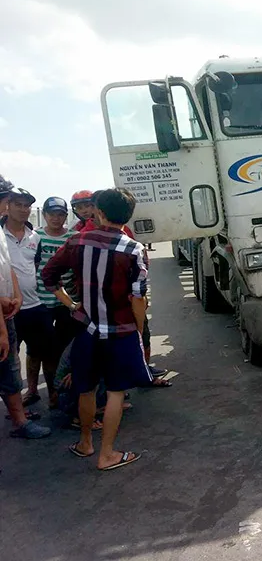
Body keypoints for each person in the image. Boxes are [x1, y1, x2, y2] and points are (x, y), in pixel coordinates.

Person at [43, 187, 150, 470]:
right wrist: (138, 329)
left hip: (87, 330)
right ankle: (108, 455)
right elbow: (138, 298)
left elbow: (49, 275)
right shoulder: (134, 249)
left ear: (99, 212)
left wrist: (71, 304)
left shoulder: (77, 241)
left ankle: (85, 443)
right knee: (115, 392)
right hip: (121, 331)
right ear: (128, 215)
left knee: (86, 389)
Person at [72, 189, 168, 381]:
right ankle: (115, 383)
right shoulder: (81, 235)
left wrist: (140, 295)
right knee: (109, 346)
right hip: (101, 303)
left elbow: (138, 261)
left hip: (129, 297)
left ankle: (143, 373)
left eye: (88, 205)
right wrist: (73, 303)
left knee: (143, 336)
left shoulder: (124, 231)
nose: (85, 210)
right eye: (81, 207)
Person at [0, 176, 50, 439]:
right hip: (6, 311)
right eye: (14, 202)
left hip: (28, 305)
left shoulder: (34, 237)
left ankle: (27, 402)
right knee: (8, 361)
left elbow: (21, 267)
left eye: (25, 205)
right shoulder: (1, 231)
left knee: (31, 355)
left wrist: (18, 295)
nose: (21, 208)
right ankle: (18, 414)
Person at [35, 197, 79, 366]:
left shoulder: (74, 237)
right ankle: (33, 384)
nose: (56, 218)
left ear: (66, 216)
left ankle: (62, 378)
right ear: (44, 215)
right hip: (40, 299)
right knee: (38, 349)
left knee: (65, 344)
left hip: (66, 301)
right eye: (51, 214)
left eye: (60, 214)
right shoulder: (35, 236)